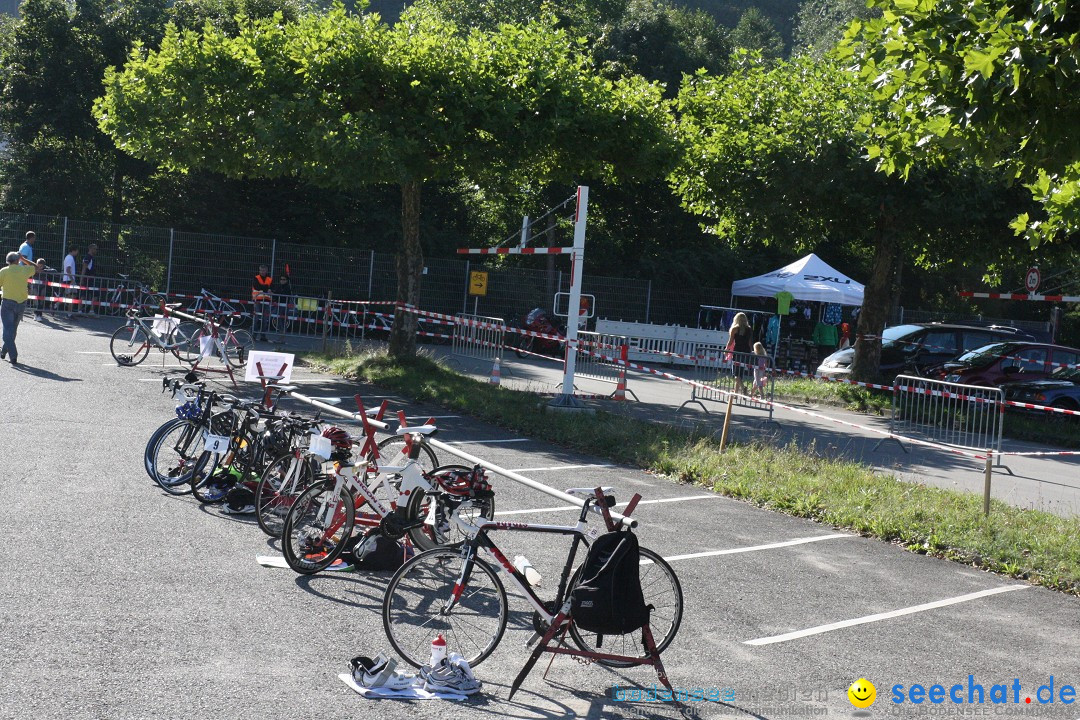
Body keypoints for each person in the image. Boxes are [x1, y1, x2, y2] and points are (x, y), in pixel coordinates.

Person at [1, 251, 46, 365]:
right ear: (17, 260)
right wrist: (23, 259)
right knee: (13, 329)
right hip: (21, 304)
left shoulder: (3, 271)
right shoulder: (24, 270)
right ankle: (4, 351)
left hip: (7, 303)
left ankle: (13, 354)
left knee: (7, 330)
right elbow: (36, 267)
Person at [727, 311, 753, 396]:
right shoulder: (749, 329)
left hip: (737, 351)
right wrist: (751, 351)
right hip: (746, 352)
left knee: (735, 373)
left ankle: (743, 388)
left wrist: (726, 349)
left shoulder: (735, 329)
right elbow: (750, 342)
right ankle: (736, 393)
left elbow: (730, 342)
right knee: (740, 373)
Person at [18, 231, 42, 319]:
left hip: (24, 274)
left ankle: (23, 309)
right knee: (30, 292)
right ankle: (33, 312)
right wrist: (30, 270)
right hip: (24, 274)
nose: (35, 239)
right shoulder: (25, 247)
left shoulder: (26, 246)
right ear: (31, 237)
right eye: (34, 238)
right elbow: (23, 260)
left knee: (28, 292)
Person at [251, 263, 273, 341]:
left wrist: (264, 288)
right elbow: (257, 286)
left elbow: (271, 288)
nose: (263, 272)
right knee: (256, 318)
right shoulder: (256, 278)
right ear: (259, 271)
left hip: (266, 301)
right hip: (257, 300)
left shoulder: (269, 279)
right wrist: (267, 288)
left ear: (267, 271)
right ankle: (254, 335)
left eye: (264, 270)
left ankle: (263, 336)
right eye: (261, 270)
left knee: (265, 319)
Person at [80, 243, 98, 316]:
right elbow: (84, 268)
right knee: (94, 295)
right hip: (88, 279)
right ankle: (90, 311)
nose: (96, 251)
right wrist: (82, 278)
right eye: (95, 249)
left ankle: (80, 310)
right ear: (91, 249)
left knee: (84, 294)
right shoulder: (88, 257)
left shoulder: (89, 257)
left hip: (88, 279)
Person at [61, 246, 79, 317]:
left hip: (68, 279)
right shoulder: (70, 258)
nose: (77, 253)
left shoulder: (68, 257)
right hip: (69, 280)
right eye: (77, 251)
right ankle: (69, 314)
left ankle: (56, 305)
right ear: (73, 251)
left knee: (70, 297)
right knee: (72, 297)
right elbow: (68, 270)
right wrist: (72, 280)